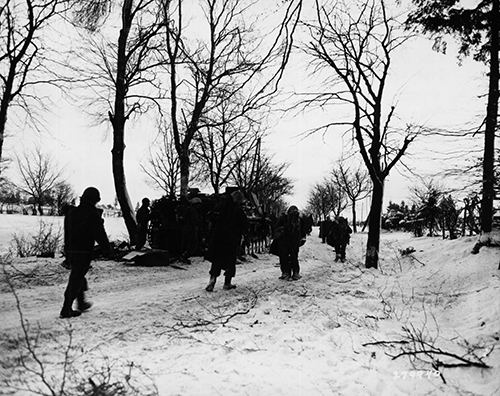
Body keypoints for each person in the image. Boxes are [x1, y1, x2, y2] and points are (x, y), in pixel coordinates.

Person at [60, 187, 111, 318]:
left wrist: (67, 251)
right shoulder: (92, 214)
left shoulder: (72, 212)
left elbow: (67, 232)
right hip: (83, 251)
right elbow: (100, 234)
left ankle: (81, 302)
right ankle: (66, 309)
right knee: (76, 279)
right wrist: (107, 250)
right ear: (94, 200)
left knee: (78, 276)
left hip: (71, 250)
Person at [205, 190, 248, 291]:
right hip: (231, 239)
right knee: (230, 261)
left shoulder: (220, 206)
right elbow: (244, 224)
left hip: (218, 238)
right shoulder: (237, 209)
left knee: (216, 260)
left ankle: (212, 280)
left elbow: (211, 218)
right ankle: (227, 283)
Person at [274, 205, 307, 281]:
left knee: (285, 257)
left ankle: (287, 273)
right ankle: (294, 273)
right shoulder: (298, 219)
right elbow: (302, 232)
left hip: (286, 241)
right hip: (291, 241)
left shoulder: (284, 218)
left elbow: (276, 228)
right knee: (293, 257)